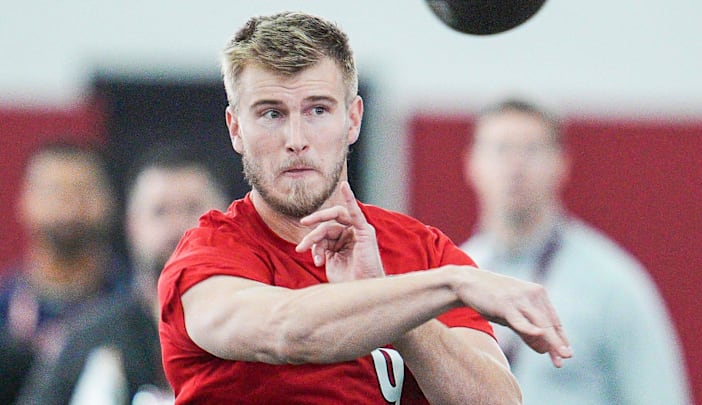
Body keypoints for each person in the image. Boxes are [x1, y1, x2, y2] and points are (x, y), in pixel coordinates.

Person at [158, 11, 572, 404]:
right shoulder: (207, 256)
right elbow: (287, 330)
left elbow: (498, 400)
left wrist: (394, 302)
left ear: (353, 119)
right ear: (236, 130)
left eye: (318, 110)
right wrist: (450, 285)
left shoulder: (422, 251)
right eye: (271, 114)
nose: (296, 138)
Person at [460, 98, 692, 404]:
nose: (515, 166)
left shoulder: (610, 283)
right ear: (471, 164)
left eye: (531, 150)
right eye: (500, 149)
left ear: (561, 164)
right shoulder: (459, 275)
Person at [16, 142, 231, 404]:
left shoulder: (260, 327)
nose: (177, 227)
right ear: (132, 225)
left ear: (224, 219)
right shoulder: (88, 336)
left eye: (191, 208)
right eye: (159, 211)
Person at [0, 142, 129, 401]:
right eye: (54, 192)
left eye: (83, 191)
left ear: (110, 201)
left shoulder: (135, 302)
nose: (69, 205)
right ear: (24, 201)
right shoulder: (4, 306)